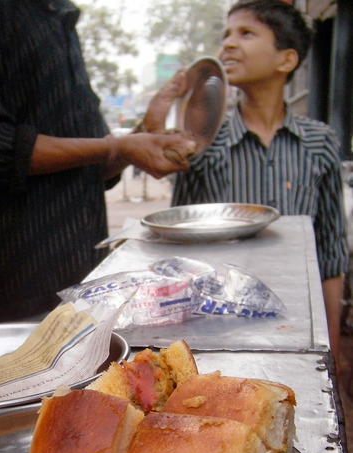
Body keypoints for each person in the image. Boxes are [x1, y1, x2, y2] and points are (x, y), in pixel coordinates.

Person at [0, 0, 195, 325]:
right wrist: (118, 145)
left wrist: (143, 134)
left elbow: (95, 168)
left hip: (86, 286)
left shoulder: (60, 17)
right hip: (19, 291)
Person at [144, 0, 349, 371]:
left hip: (300, 323)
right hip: (219, 329)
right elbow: (176, 245)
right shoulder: (204, 142)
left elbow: (331, 254)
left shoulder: (320, 141)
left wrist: (332, 347)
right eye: (226, 34)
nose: (228, 44)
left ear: (286, 60)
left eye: (246, 33)